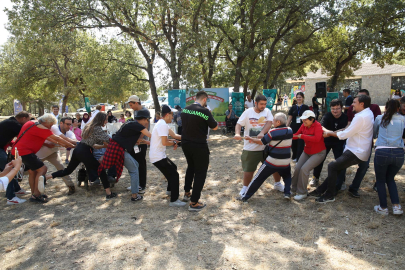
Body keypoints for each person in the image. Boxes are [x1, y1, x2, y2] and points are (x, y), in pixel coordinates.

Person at [309, 95, 374, 203]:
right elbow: (348, 129)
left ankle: (329, 195)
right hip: (357, 149)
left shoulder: (360, 117)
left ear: (362, 104)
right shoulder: (368, 113)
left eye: (354, 102)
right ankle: (320, 190)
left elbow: (345, 134)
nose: (352, 104)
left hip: (356, 151)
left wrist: (329, 133)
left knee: (332, 166)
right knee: (336, 168)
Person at [46, 113, 116, 200]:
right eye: (105, 120)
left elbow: (94, 141)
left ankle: (46, 177)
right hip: (84, 151)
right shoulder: (97, 128)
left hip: (78, 149)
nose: (106, 121)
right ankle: (109, 193)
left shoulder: (88, 126)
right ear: (101, 119)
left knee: (68, 170)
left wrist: (103, 145)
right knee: (100, 170)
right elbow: (108, 140)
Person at [12, 114, 75, 203]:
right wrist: (72, 145)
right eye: (50, 125)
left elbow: (52, 139)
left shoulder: (30, 123)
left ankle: (34, 194)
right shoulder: (41, 128)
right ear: (46, 122)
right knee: (43, 169)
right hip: (25, 152)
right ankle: (36, 195)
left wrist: (64, 144)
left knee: (33, 171)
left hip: (18, 151)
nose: (50, 127)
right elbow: (56, 138)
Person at [235, 94, 284, 196]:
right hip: (251, 147)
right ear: (255, 103)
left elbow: (269, 122)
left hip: (267, 146)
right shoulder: (248, 112)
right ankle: (245, 188)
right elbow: (239, 124)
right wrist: (237, 134)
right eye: (261, 104)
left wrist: (262, 132)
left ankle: (277, 183)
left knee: (275, 166)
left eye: (265, 104)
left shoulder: (267, 112)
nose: (263, 106)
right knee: (249, 170)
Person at [98, 109, 152, 202]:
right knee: (134, 169)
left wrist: (145, 142)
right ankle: (134, 195)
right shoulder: (137, 125)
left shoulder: (130, 123)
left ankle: (135, 190)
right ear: (143, 119)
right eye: (146, 120)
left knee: (136, 165)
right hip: (118, 149)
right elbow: (150, 135)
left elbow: (131, 139)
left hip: (116, 148)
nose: (147, 122)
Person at [238, 113, 293, 201]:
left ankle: (245, 197)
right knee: (287, 176)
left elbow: (262, 142)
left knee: (258, 178)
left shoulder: (272, 132)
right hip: (286, 161)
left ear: (278, 122)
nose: (272, 123)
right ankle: (287, 192)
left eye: (274, 121)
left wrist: (251, 139)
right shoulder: (289, 130)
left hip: (272, 161)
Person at [181, 91, 218, 211]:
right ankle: (194, 202)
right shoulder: (205, 111)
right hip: (199, 145)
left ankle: (187, 192)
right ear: (205, 100)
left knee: (191, 167)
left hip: (186, 144)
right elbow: (215, 127)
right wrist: (211, 115)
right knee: (201, 173)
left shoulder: (185, 109)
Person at [346, 89, 381, 197]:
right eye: (357, 98)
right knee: (340, 165)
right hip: (351, 143)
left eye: (361, 98)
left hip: (365, 144)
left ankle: (354, 187)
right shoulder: (352, 108)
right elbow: (349, 124)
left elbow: (376, 125)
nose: (355, 102)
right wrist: (340, 134)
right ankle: (338, 184)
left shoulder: (373, 109)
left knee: (364, 166)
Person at [149, 105, 185, 206]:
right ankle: (174, 200)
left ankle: (170, 191)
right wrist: (173, 143)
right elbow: (165, 142)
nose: (173, 116)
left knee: (173, 167)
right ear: (167, 114)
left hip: (159, 155)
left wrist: (188, 137)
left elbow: (174, 136)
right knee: (174, 175)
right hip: (157, 156)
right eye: (172, 114)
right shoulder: (162, 125)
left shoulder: (163, 123)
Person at [373, 99, 403, 215]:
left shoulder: (379, 118)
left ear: (385, 108)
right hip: (399, 152)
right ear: (398, 108)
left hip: (382, 151)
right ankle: (396, 206)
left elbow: (374, 133)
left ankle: (383, 207)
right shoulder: (403, 119)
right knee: (390, 178)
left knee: (380, 180)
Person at [310, 99, 348, 189]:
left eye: (337, 108)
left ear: (341, 108)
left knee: (340, 162)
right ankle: (315, 178)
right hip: (326, 141)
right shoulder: (327, 115)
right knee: (319, 160)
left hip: (339, 142)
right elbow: (321, 126)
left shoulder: (345, 117)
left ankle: (341, 181)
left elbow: (346, 129)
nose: (335, 111)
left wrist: (331, 133)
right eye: (333, 108)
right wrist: (330, 132)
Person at [36, 117, 78, 195]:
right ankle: (36, 192)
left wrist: (78, 144)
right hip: (39, 154)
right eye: (67, 124)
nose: (69, 126)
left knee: (61, 167)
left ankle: (71, 186)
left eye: (70, 124)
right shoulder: (53, 128)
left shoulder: (70, 133)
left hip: (53, 153)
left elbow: (73, 142)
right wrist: (46, 144)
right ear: (61, 123)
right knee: (32, 171)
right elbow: (38, 139)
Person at [291, 110, 326, 200]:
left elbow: (317, 139)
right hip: (307, 151)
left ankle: (302, 192)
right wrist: (287, 135)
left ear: (312, 119)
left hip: (318, 153)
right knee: (297, 168)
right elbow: (297, 134)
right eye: (303, 119)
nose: (303, 121)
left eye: (306, 120)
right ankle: (293, 189)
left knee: (304, 169)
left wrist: (302, 136)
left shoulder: (318, 126)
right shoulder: (304, 125)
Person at [0, 111, 30, 205]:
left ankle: (16, 189)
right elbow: (25, 136)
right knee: (10, 169)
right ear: (23, 118)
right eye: (27, 121)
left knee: (8, 168)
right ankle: (11, 197)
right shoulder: (14, 124)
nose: (27, 123)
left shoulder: (10, 122)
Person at [126, 95, 150, 194]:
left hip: (141, 142)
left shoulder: (145, 111)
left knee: (141, 163)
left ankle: (142, 185)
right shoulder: (135, 112)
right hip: (134, 142)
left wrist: (139, 139)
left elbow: (145, 127)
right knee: (133, 163)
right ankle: (135, 183)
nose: (131, 107)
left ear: (136, 103)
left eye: (131, 105)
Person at [287, 92, 309, 162]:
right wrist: (286, 126)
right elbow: (290, 117)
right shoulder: (293, 107)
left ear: (303, 98)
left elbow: (308, 118)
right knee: (293, 142)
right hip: (293, 126)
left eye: (300, 97)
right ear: (296, 98)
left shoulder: (306, 107)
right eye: (298, 97)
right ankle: (294, 156)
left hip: (302, 126)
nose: (299, 98)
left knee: (301, 142)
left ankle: (299, 158)